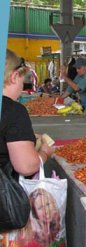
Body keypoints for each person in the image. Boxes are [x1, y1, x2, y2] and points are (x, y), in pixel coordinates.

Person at [0, 49, 54, 179]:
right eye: (22, 80)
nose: (22, 86)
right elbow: (26, 166)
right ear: (13, 77)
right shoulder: (14, 111)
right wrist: (44, 153)